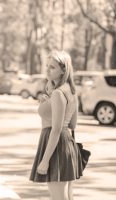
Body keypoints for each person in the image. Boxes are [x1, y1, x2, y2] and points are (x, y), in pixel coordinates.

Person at [29, 50, 83, 200]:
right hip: (67, 144)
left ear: (63, 70)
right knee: (64, 196)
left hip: (55, 145)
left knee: (59, 197)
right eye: (47, 66)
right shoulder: (71, 91)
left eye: (52, 67)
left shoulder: (59, 93)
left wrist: (45, 160)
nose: (47, 70)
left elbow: (56, 129)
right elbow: (72, 124)